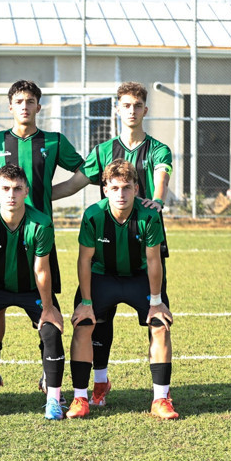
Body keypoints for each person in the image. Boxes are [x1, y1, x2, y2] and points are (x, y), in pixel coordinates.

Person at [53, 81, 172, 407]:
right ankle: (98, 384)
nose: (131, 110)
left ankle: (162, 396)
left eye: (137, 105)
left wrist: (157, 200)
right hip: (105, 251)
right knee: (96, 321)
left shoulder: (158, 149)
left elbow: (161, 176)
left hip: (144, 243)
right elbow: (74, 184)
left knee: (156, 319)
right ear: (117, 110)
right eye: (126, 105)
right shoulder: (103, 151)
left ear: (144, 110)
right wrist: (37, 198)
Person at [0, 80, 84, 403]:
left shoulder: (53, 141)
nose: (24, 106)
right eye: (18, 101)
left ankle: (50, 376)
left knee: (45, 309)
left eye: (30, 101)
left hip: (38, 235)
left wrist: (49, 193)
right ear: (10, 106)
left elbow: (83, 173)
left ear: (39, 106)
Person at [65, 159, 177, 420]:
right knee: (83, 323)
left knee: (160, 324)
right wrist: (85, 301)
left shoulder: (149, 216)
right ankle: (80, 397)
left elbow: (153, 260)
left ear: (137, 189)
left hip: (139, 278)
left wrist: (157, 301)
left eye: (127, 187)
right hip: (102, 277)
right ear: (105, 189)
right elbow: (84, 260)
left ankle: (161, 399)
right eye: (114, 188)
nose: (121, 194)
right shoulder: (93, 215)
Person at [0, 164, 66, 420]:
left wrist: (49, 309)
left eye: (17, 189)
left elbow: (42, 269)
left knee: (51, 330)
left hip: (30, 288)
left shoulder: (41, 223)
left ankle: (54, 399)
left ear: (26, 191)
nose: (11, 194)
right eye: (5, 188)